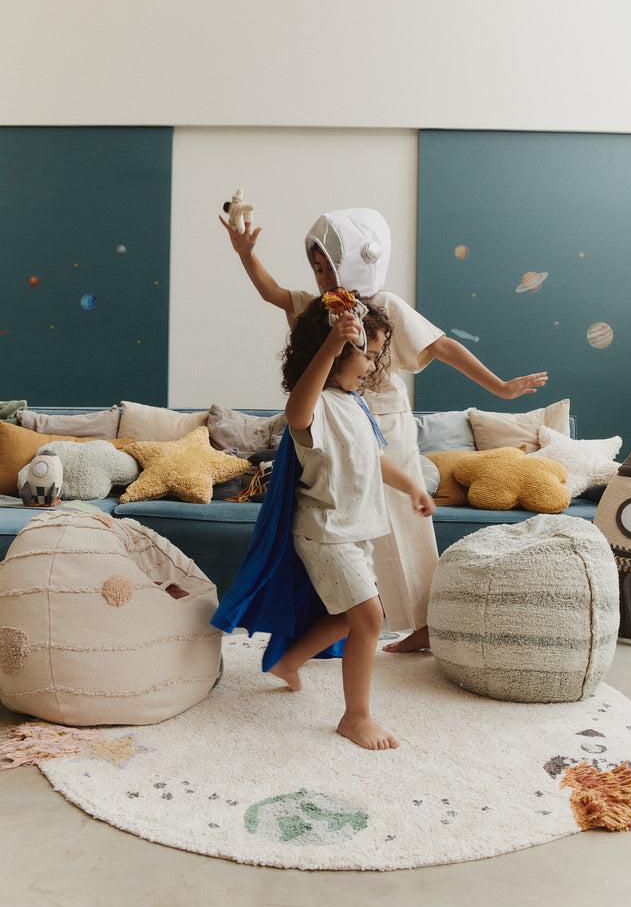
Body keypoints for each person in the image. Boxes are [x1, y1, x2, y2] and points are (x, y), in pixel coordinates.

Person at [219, 207, 548, 653]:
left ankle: (423, 623)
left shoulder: (385, 306)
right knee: (332, 522)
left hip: (384, 421)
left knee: (403, 524)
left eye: (328, 267)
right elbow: (274, 293)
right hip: (334, 420)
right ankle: (331, 624)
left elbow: (442, 346)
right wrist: (245, 254)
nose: (322, 277)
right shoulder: (319, 312)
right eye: (316, 268)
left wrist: (500, 387)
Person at [213, 290, 435, 750]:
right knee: (370, 618)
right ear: (336, 351)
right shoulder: (316, 405)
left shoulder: (355, 404)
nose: (373, 365)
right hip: (326, 533)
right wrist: (331, 346)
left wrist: (412, 486)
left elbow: (374, 460)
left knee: (344, 619)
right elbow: (296, 412)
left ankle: (288, 662)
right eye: (368, 355)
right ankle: (356, 717)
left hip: (357, 531)